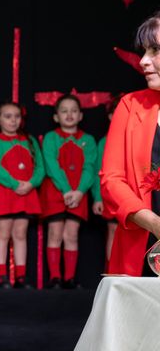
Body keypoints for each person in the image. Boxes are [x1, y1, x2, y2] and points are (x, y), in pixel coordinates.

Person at [101, 11, 160, 276]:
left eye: (155, 50)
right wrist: (152, 222)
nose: (143, 61)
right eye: (144, 51)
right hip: (139, 250)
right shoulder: (130, 105)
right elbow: (111, 180)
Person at [39, 95, 99, 288]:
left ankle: (70, 278)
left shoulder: (88, 140)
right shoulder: (51, 137)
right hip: (56, 192)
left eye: (74, 110)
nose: (69, 114)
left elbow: (90, 168)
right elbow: (51, 166)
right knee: (54, 233)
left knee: (71, 235)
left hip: (78, 193)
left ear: (80, 115)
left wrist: (80, 191)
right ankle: (55, 277)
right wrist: (66, 190)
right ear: (56, 117)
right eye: (64, 111)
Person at [0, 101, 44, 288]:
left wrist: (31, 183)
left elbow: (40, 167)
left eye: (17, 116)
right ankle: (1, 275)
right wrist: (14, 183)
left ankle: (21, 276)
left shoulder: (29, 140)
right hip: (4, 192)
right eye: (8, 117)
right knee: (3, 232)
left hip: (25, 191)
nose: (13, 120)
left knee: (20, 232)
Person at [98, 95, 122, 263]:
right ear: (111, 116)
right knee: (113, 229)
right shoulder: (104, 142)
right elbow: (98, 172)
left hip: (134, 194)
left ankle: (131, 272)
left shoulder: (139, 138)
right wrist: (98, 198)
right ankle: (113, 270)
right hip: (112, 194)